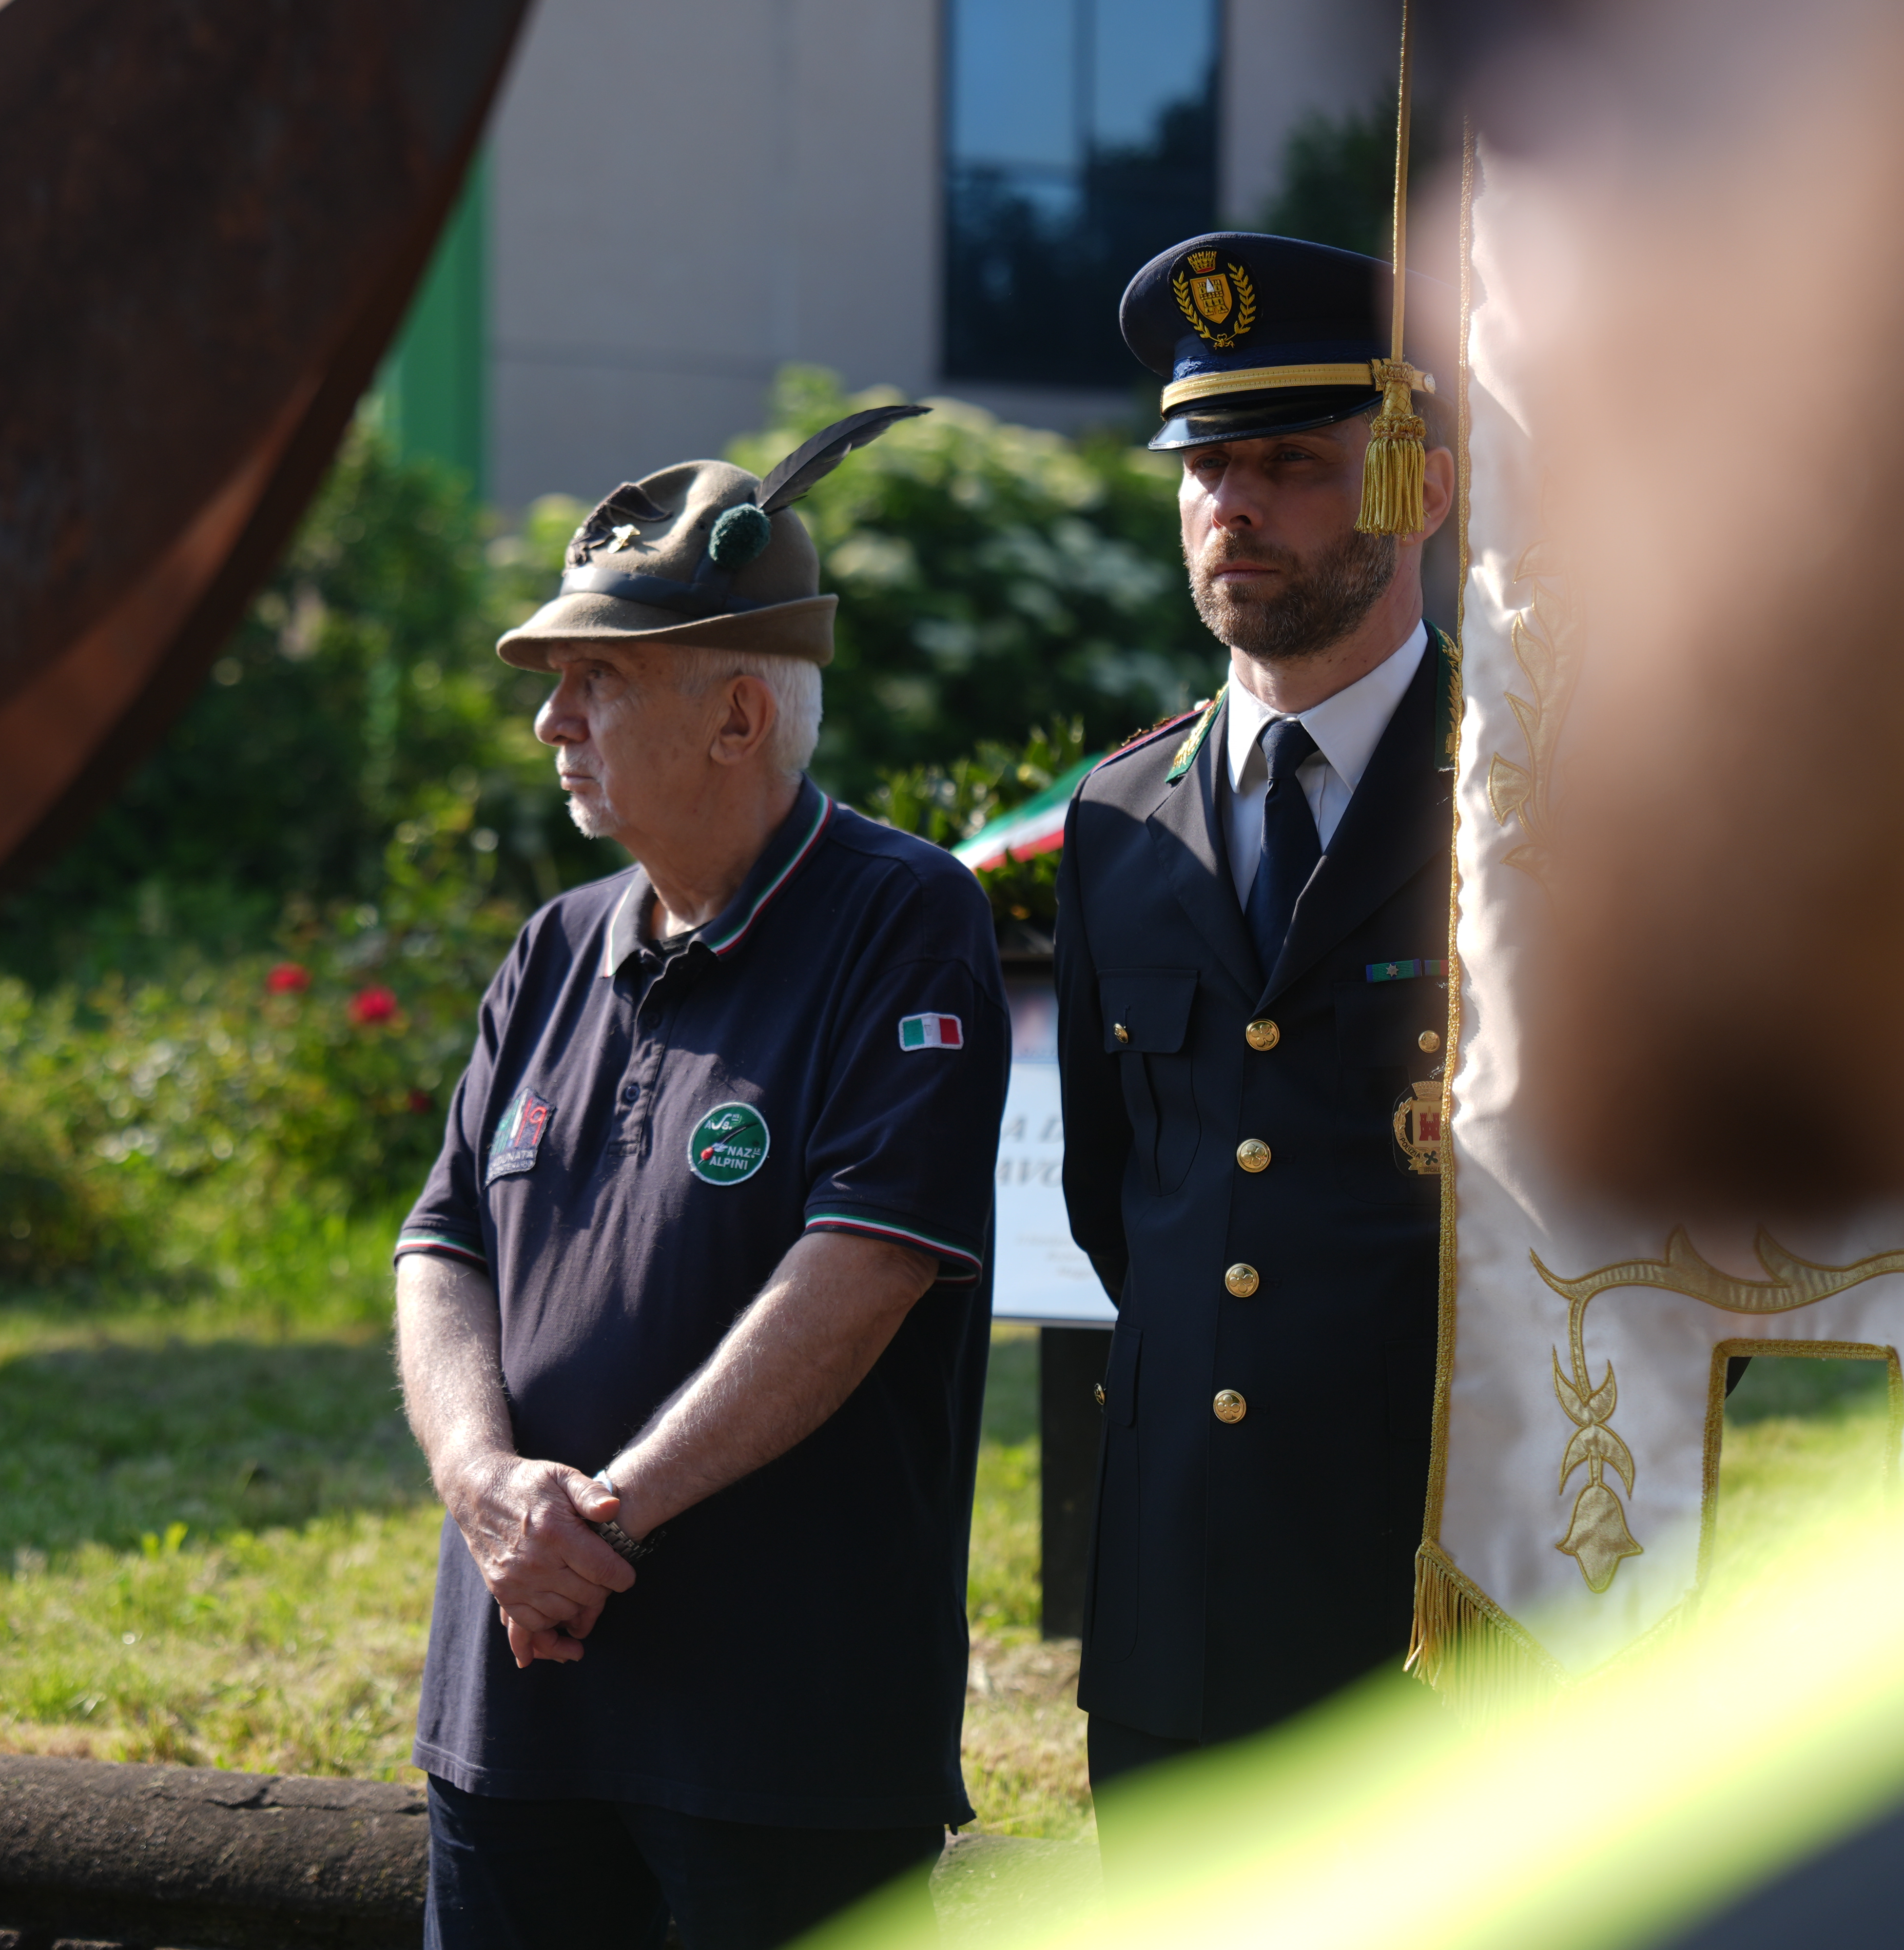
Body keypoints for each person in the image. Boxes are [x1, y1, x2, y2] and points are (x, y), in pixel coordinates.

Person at [392, 410, 1010, 1950]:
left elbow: (864, 1263)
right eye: (557, 686)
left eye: (596, 683)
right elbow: (442, 1242)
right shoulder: (556, 943)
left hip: (777, 1745)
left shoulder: (899, 919)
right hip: (519, 1709)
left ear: (741, 718)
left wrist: (598, 1524)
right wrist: (488, 1495)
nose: (553, 726)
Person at [1050, 233, 1457, 1845]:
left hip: (1434, 1609)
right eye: (1207, 464)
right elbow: (1117, 1195)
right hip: (1178, 1606)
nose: (1238, 504)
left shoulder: (1525, 798)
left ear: (1416, 488)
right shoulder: (1117, 817)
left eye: (1293, 463)